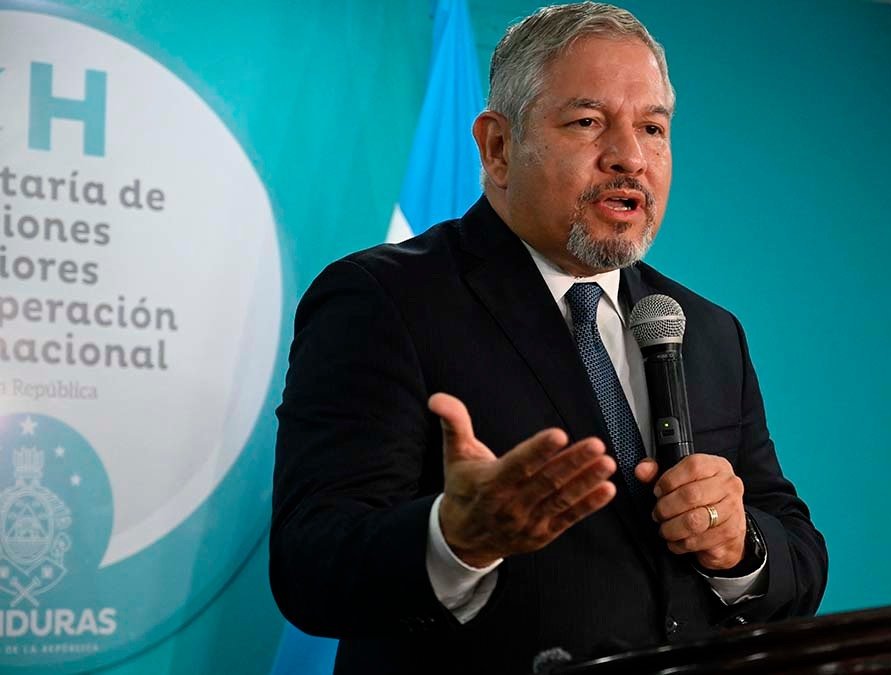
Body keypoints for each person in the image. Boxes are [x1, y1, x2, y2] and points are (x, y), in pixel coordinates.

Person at [271, 3, 827, 673]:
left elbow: (797, 553)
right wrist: (456, 538)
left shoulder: (707, 330)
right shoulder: (384, 300)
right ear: (498, 147)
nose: (630, 157)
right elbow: (310, 565)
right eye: (588, 122)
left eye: (653, 127)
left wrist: (740, 547)